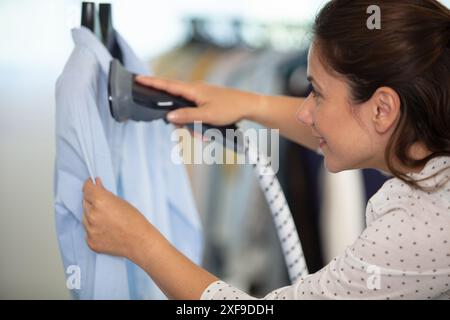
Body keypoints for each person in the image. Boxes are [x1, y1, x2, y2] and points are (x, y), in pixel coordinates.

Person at [81, 0, 450, 299]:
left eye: (317, 94)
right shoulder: (428, 150)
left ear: (383, 109)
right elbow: (356, 133)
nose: (305, 111)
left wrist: (142, 245)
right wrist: (249, 103)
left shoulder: (421, 222)